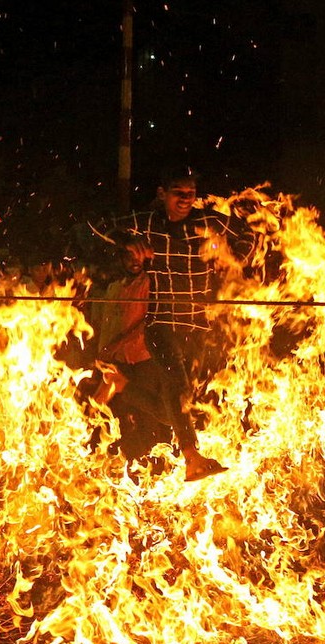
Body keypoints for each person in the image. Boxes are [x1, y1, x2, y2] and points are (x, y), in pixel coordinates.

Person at [102, 165, 255, 481]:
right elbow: (101, 228)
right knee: (176, 385)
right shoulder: (145, 223)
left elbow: (249, 234)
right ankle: (191, 457)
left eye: (191, 194)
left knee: (182, 401)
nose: (186, 199)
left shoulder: (208, 222)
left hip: (196, 324)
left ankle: (126, 388)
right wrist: (127, 241)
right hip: (161, 322)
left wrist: (233, 260)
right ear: (162, 194)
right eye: (178, 193)